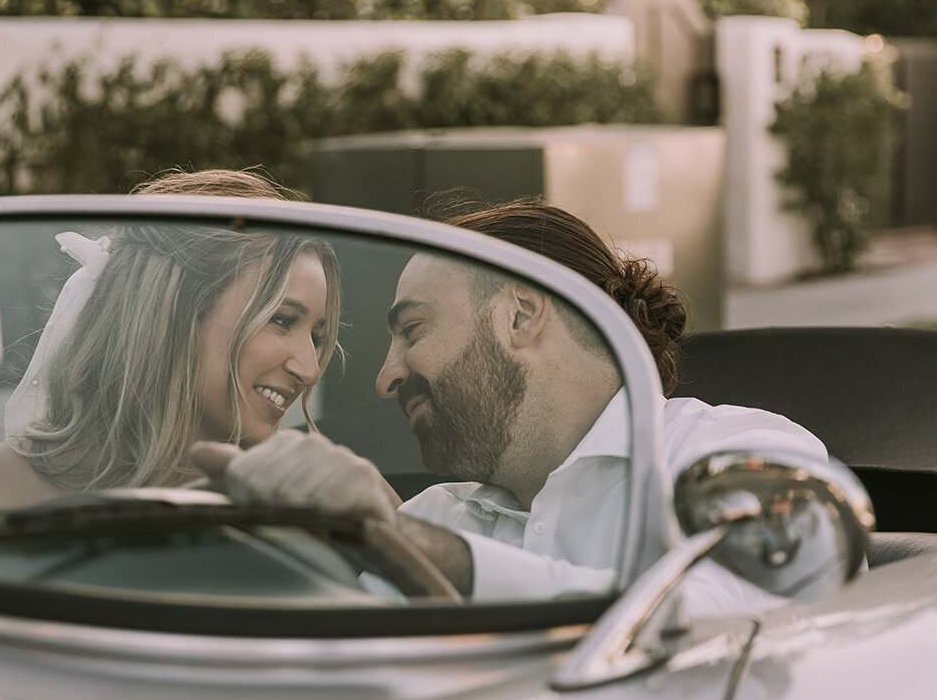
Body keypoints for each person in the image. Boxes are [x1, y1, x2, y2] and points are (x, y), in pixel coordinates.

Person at [193, 200, 829, 616]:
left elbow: (724, 620)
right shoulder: (436, 514)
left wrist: (414, 547)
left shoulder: (743, 454)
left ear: (519, 315)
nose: (387, 377)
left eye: (412, 329)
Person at [0, 169, 341, 524]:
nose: (310, 370)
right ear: (176, 311)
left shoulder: (300, 497)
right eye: (282, 320)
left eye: (318, 338)